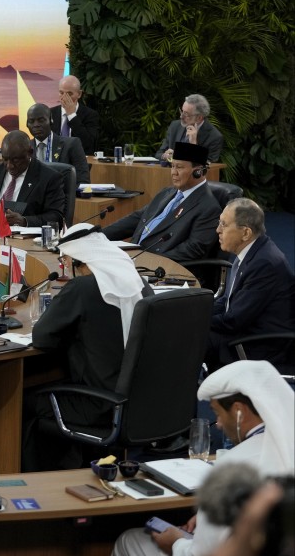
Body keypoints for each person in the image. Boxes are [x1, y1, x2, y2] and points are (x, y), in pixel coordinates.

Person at [112, 360, 294, 556]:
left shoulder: (231, 468)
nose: (219, 425)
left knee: (129, 540)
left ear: (239, 411)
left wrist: (175, 543)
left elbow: (199, 554)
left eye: (218, 413)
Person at [23, 223, 150, 470]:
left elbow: (42, 338)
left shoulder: (81, 289)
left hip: (96, 405)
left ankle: (44, 483)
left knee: (24, 401)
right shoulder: (141, 284)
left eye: (65, 262)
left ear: (77, 261)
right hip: (140, 402)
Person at [206, 198, 295, 374]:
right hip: (245, 329)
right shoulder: (250, 252)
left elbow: (233, 322)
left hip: (259, 345)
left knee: (189, 338)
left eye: (224, 224)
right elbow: (227, 301)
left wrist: (194, 320)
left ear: (245, 233)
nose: (218, 230)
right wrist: (195, 309)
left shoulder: (265, 264)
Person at [103, 142, 221, 263]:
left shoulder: (209, 208)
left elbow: (193, 249)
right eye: (172, 166)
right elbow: (139, 217)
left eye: (179, 167)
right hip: (133, 256)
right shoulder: (168, 192)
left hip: (157, 267)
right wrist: (99, 235)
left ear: (198, 172)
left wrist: (148, 260)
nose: (173, 172)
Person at [0, 130, 66, 227]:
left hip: (25, 238)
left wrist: (24, 221)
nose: (10, 166)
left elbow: (56, 217)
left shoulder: (49, 178)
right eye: (5, 159)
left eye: (15, 160)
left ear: (30, 153)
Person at [25, 103, 90, 184]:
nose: (36, 125)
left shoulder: (71, 144)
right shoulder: (24, 148)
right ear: (27, 124)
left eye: (41, 120)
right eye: (31, 121)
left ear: (51, 120)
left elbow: (83, 181)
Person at [155, 94, 224, 163]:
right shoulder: (175, 126)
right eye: (182, 111)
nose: (181, 116)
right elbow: (159, 154)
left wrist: (194, 145)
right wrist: (165, 156)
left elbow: (209, 165)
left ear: (199, 118)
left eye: (186, 114)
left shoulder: (214, 136)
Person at [50, 75, 99, 155]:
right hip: (55, 161)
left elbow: (89, 144)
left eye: (69, 94)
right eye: (61, 93)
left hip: (79, 160)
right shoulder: (50, 113)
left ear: (79, 94)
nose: (64, 98)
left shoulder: (90, 115)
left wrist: (72, 115)